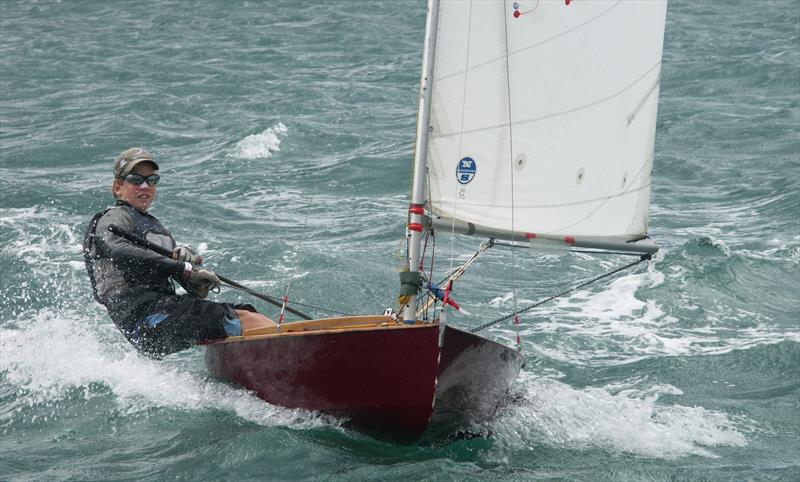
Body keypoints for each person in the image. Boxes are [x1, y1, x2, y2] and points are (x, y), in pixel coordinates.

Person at [83, 147, 275, 357]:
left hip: (165, 312)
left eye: (152, 180)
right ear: (117, 187)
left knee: (245, 311)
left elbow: (191, 289)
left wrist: (198, 279)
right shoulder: (114, 218)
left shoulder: (158, 229)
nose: (145, 186)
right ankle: (287, 351)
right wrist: (182, 267)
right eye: (136, 179)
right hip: (145, 320)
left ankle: (255, 366)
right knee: (240, 319)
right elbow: (116, 249)